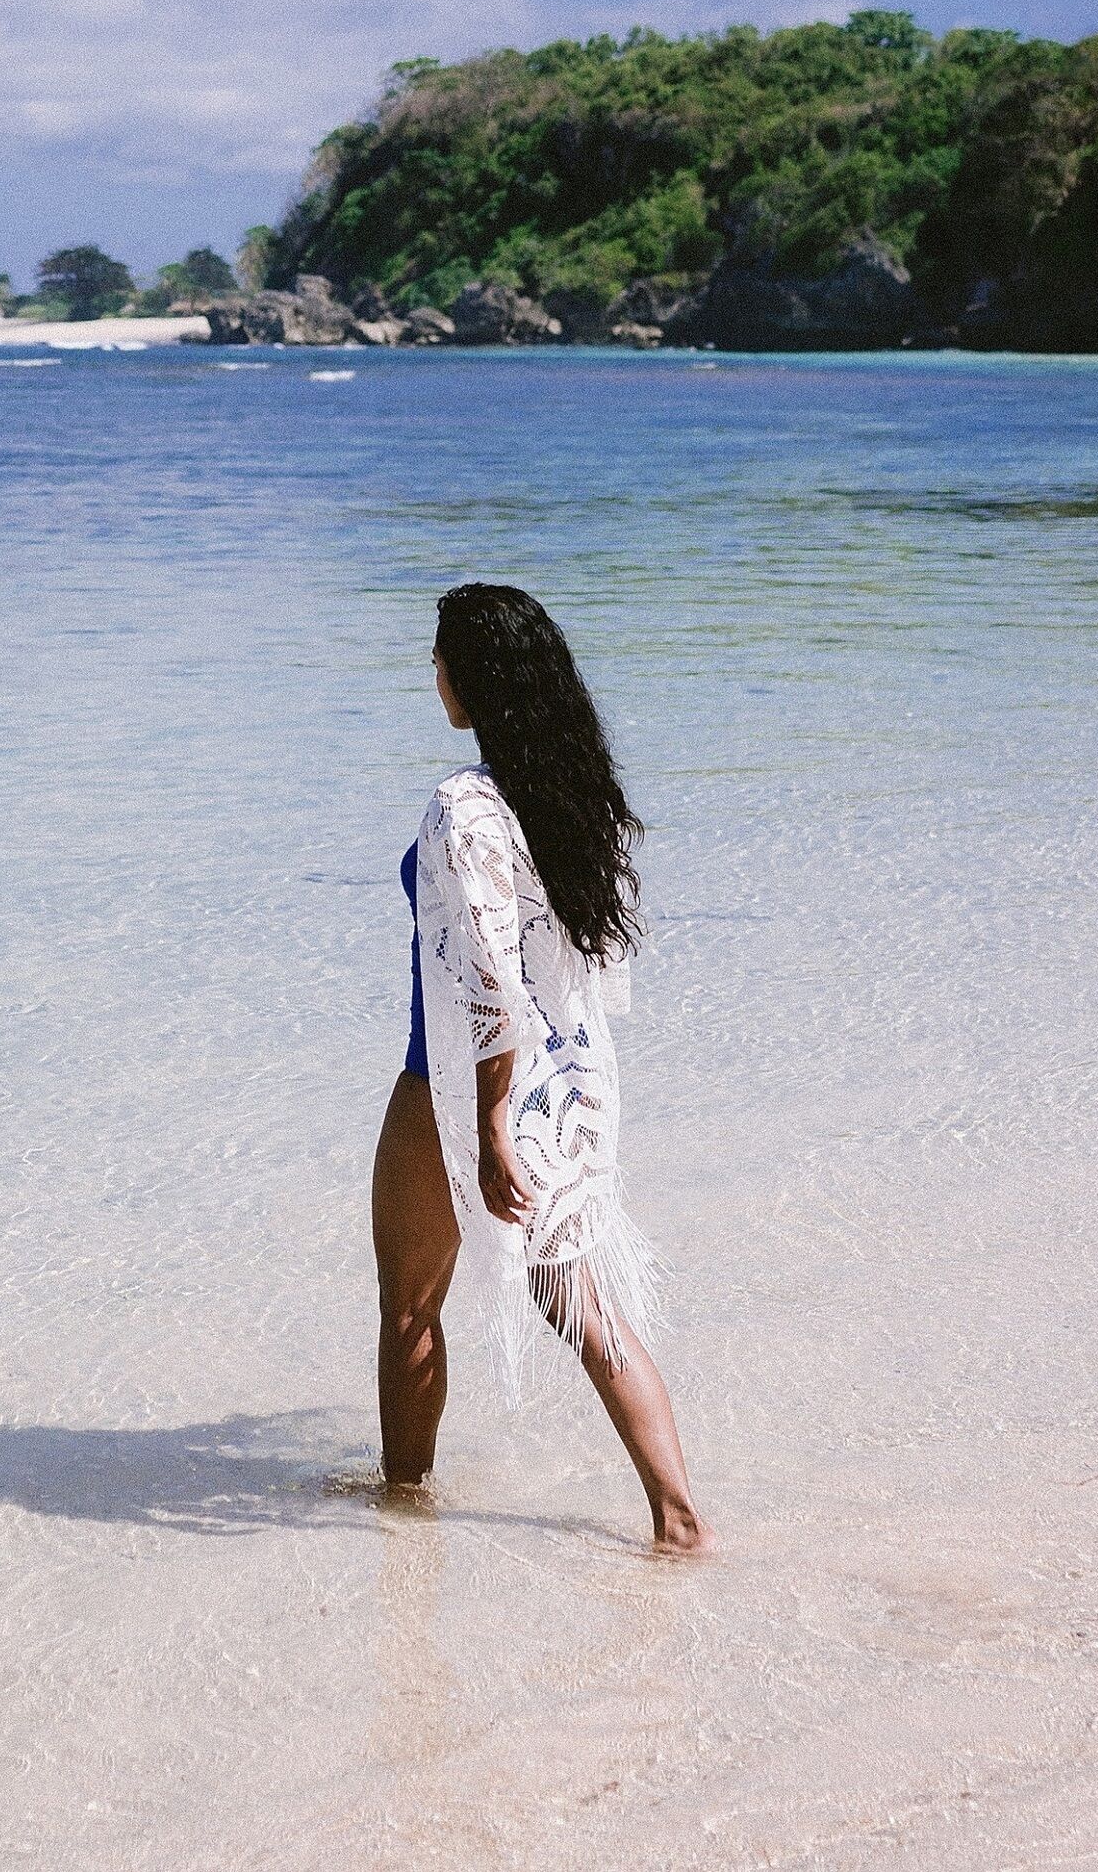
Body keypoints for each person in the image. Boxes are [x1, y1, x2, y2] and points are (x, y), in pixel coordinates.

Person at [371, 582, 707, 1551]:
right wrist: (565, 1093)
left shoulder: (463, 807)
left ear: (468, 679)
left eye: (439, 662)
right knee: (584, 1303)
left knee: (409, 1306)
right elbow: (594, 967)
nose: (434, 678)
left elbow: (485, 973)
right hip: (573, 1082)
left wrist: (484, 1126)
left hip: (449, 1081)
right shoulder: (575, 794)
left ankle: (405, 1513)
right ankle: (680, 1519)